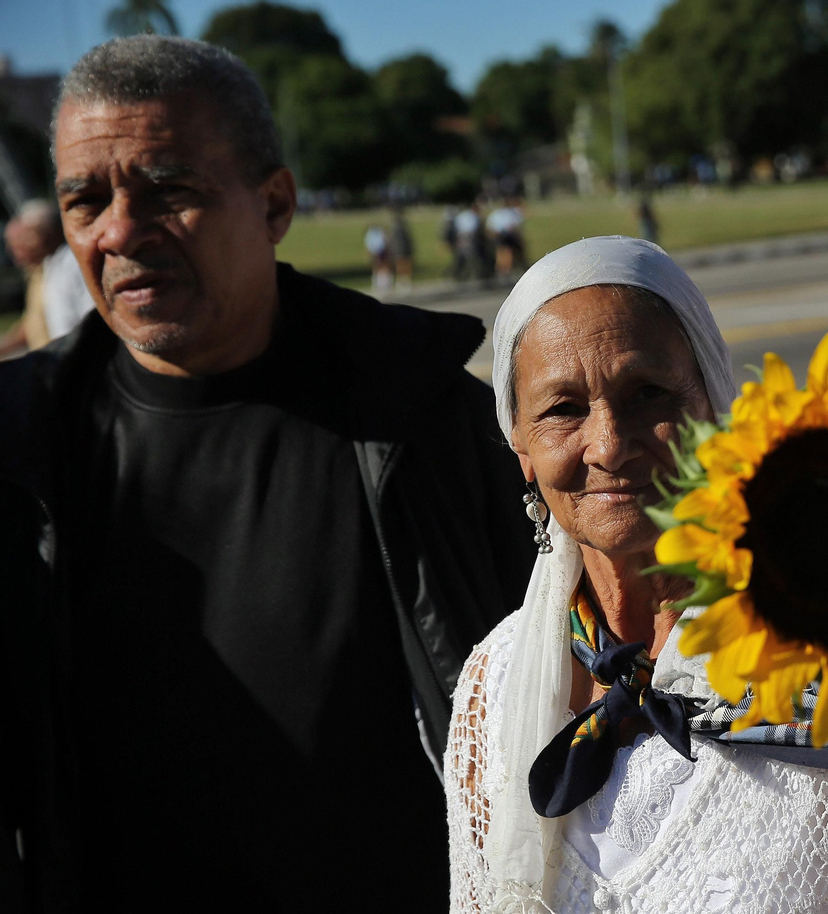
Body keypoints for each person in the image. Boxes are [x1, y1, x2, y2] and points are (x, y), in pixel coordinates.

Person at [0, 36, 539, 910]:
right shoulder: (18, 449)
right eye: (85, 200)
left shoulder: (426, 419)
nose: (120, 231)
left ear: (275, 202)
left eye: (169, 189)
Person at [444, 235, 828, 913]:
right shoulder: (497, 683)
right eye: (563, 408)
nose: (608, 443)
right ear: (523, 452)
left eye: (647, 393)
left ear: (712, 406)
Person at [0, 199, 96, 357]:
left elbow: (90, 321)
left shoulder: (72, 264)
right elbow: (31, 324)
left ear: (44, 234)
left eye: (24, 238)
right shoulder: (45, 268)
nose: (13, 252)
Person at [389, 203, 414, 289]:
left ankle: (405, 281)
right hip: (398, 249)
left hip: (402, 248)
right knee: (400, 265)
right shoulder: (396, 227)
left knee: (406, 265)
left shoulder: (401, 226)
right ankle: (401, 281)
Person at [364, 222, 392, 293]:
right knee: (377, 266)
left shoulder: (380, 233)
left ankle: (385, 282)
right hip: (376, 251)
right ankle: (377, 282)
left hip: (381, 251)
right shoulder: (371, 234)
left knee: (384, 266)